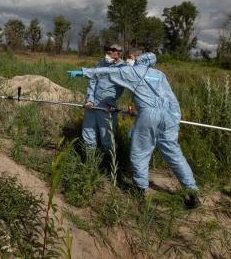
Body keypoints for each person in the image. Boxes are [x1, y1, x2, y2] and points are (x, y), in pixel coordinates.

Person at [68, 49, 200, 208]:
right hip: (170, 117)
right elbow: (172, 99)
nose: (129, 60)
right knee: (175, 155)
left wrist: (83, 72)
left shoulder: (133, 72)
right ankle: (193, 194)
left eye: (131, 57)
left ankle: (140, 190)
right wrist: (175, 120)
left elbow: (105, 73)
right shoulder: (159, 75)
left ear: (139, 59)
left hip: (148, 115)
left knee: (140, 152)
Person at [82, 44, 125, 152]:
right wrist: (90, 99)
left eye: (110, 53)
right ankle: (90, 159)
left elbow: (122, 88)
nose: (107, 55)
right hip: (92, 104)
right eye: (107, 52)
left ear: (118, 53)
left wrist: (110, 101)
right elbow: (93, 80)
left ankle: (109, 162)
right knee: (88, 131)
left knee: (107, 135)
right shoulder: (102, 63)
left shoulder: (123, 68)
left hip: (107, 105)